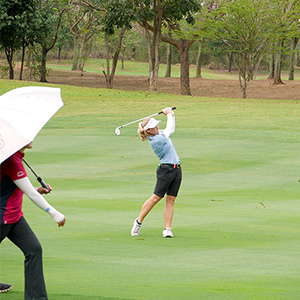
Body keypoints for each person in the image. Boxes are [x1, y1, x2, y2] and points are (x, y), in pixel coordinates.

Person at [0, 142, 66, 300]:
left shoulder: (16, 158)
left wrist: (38, 190)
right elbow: (30, 194)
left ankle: (36, 297)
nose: (31, 139)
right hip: (2, 218)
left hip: (14, 218)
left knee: (33, 249)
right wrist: (54, 213)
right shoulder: (12, 161)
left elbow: (18, 188)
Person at [131, 108, 182, 238]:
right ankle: (138, 222)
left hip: (176, 169)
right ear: (148, 131)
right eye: (154, 126)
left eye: (156, 124)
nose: (157, 127)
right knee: (156, 198)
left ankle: (167, 229)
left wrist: (172, 115)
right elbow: (169, 130)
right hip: (166, 170)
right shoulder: (156, 140)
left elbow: (172, 129)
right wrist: (169, 114)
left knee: (171, 199)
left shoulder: (159, 134)